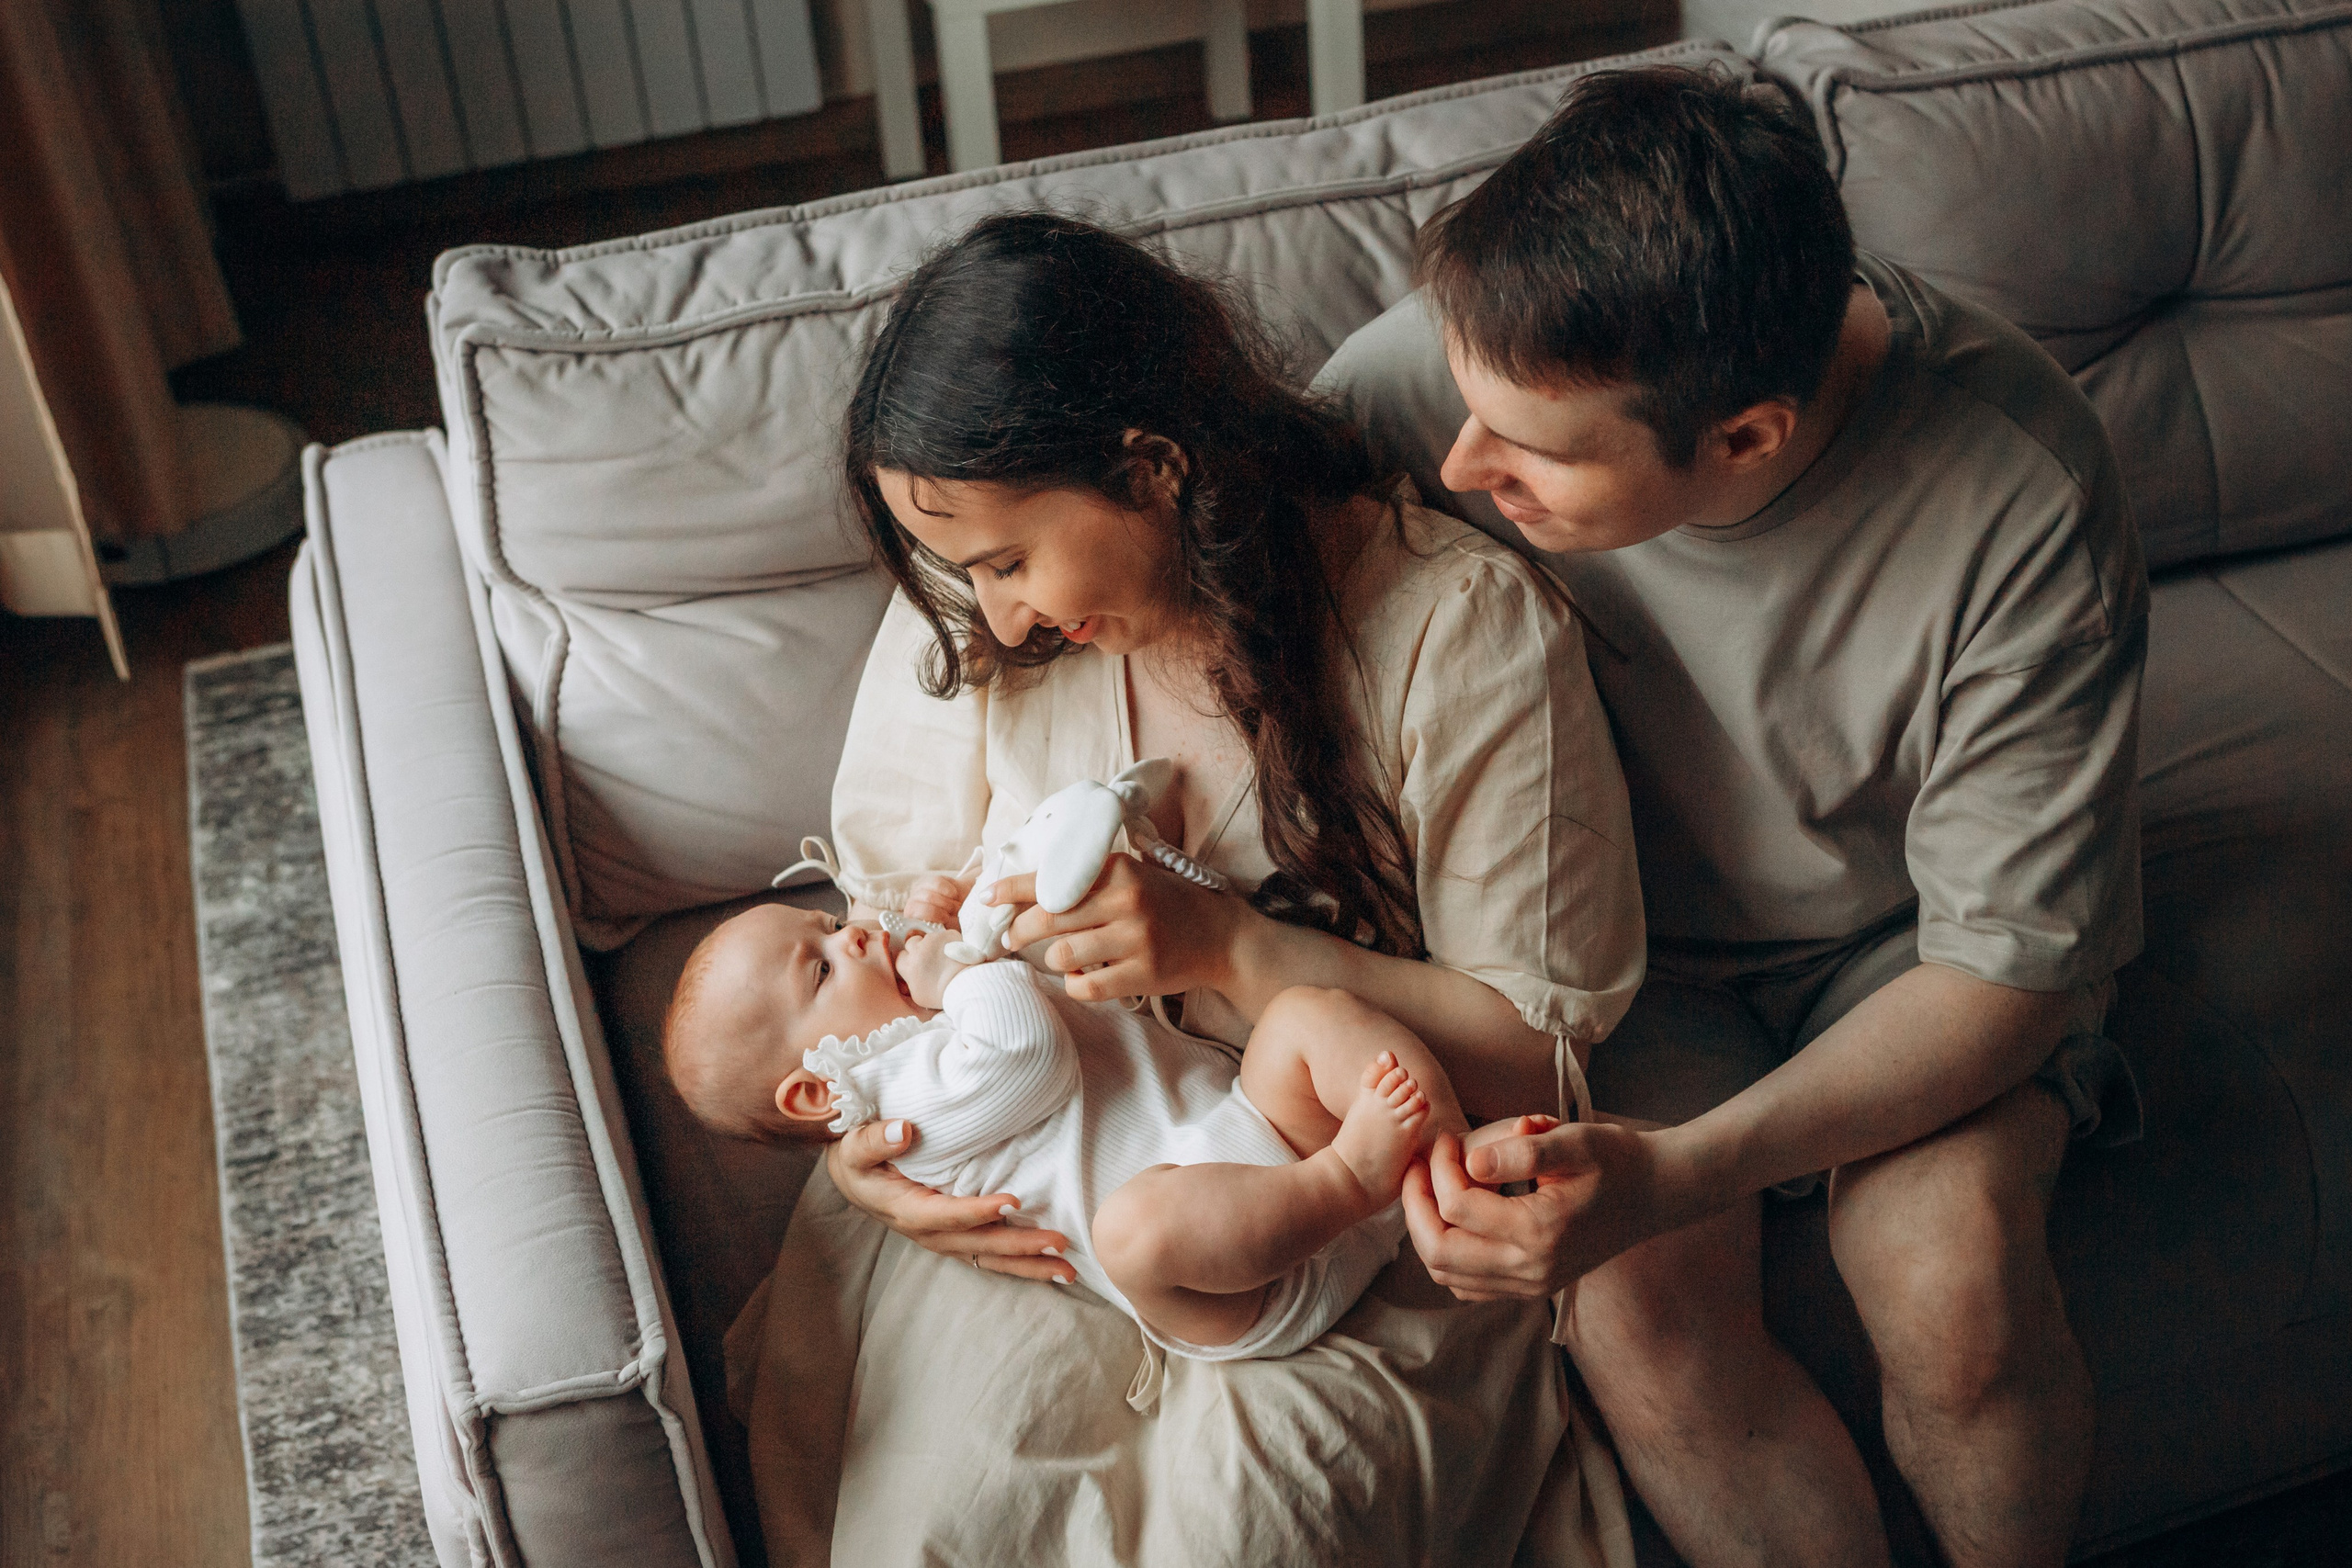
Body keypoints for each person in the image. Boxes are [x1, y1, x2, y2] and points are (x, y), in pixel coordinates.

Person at [1318, 65, 2149, 1568]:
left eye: (1534, 453)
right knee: (1639, 1307)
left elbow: (2005, 970)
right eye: (1463, 407)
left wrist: (1687, 1170)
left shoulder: (2016, 482)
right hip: (1612, 954)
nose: (1458, 468)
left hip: (1907, 948)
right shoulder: (1442, 378)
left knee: (1949, 1280)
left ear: (1750, 440)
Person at [780, 209, 1646, 1561]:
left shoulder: (1456, 630)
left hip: (1333, 1232)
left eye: (1012, 562)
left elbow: (1540, 1059)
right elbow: (877, 940)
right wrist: (871, 1154)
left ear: (1153, 467)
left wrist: (1237, 951)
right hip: (1040, 1217)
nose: (994, 616)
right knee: (939, 1524)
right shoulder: (986, 620)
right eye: (965, 575)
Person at [664, 897, 1468, 1359]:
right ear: (813, 1092)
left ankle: (1450, 1163)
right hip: (1237, 1279)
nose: (856, 934)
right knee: (1135, 1228)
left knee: (1303, 1015)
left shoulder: (921, 1017)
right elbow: (1028, 1049)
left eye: (829, 919)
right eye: (823, 966)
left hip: (1256, 1126)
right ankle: (1353, 1180)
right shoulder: (900, 1104)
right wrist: (960, 972)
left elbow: (1008, 967)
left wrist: (950, 917)